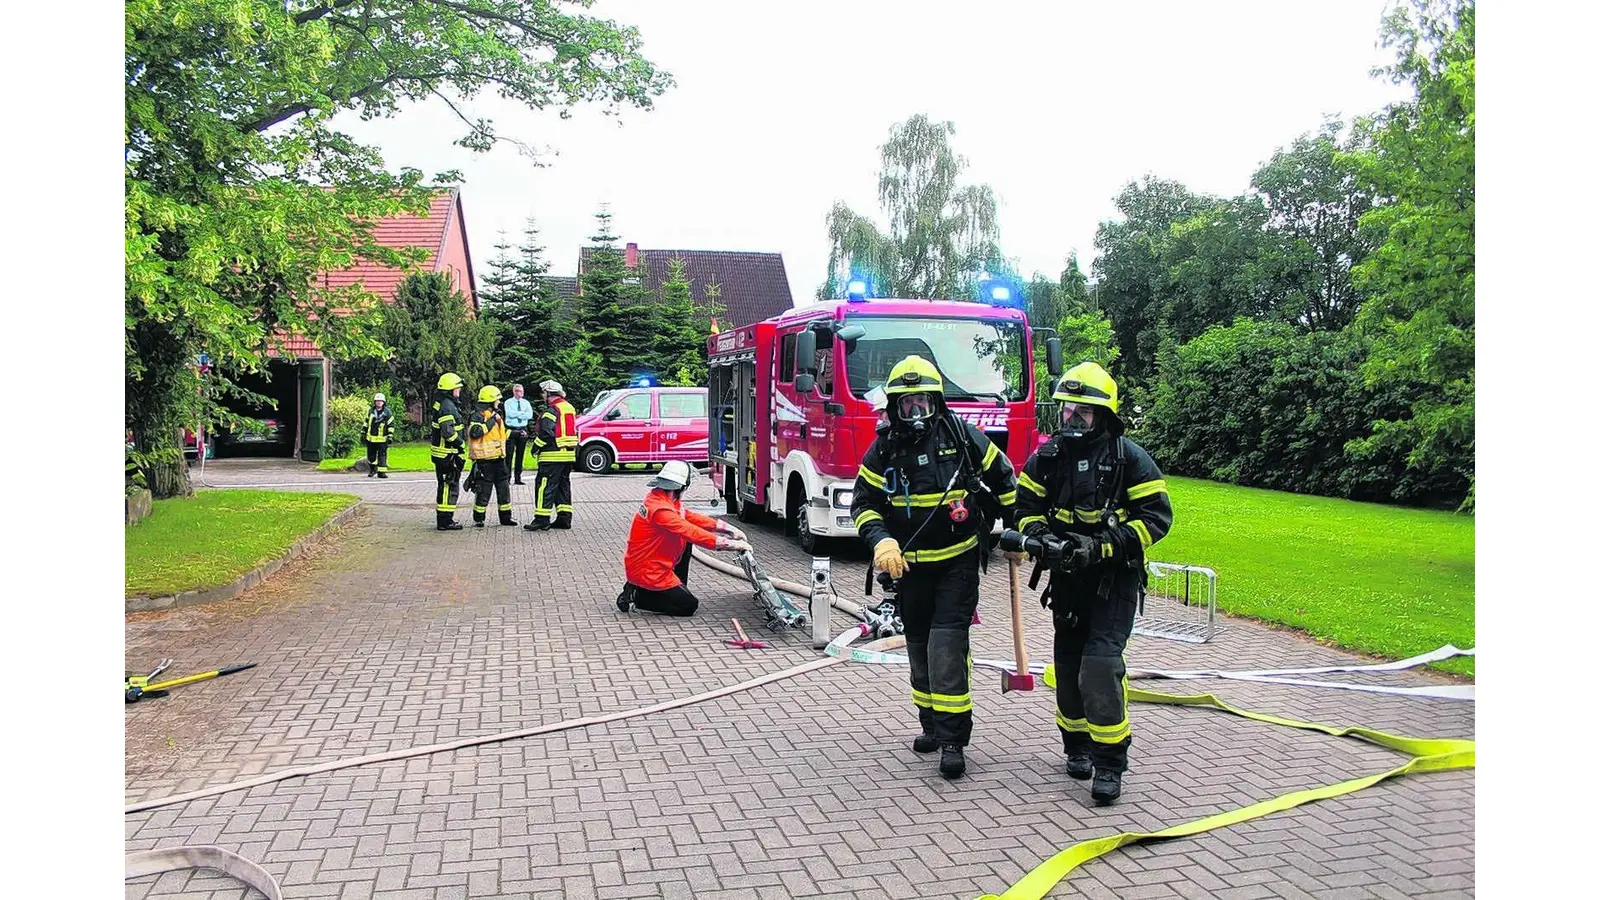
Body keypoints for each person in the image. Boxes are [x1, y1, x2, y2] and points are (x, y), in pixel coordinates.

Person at [849, 355, 1018, 780]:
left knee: (946, 649)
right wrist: (881, 540)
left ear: (938, 401)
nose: (916, 412)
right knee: (919, 650)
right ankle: (930, 723)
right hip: (909, 571)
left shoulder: (962, 436)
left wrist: (1017, 534)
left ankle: (953, 741)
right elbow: (863, 504)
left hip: (957, 564)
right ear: (894, 407)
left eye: (923, 401)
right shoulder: (884, 447)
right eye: (907, 404)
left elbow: (1005, 478)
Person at [1014, 362, 1173, 806]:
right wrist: (1042, 540)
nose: (1073, 418)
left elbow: (1156, 520)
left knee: (1100, 665)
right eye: (1068, 409)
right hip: (1066, 581)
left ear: (1104, 414)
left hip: (1113, 580)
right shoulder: (1046, 458)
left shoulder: (1129, 459)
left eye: (1084, 411)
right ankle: (1077, 746)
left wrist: (1102, 547)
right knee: (1067, 668)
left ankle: (1110, 763)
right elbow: (1024, 511)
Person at [616, 460, 751, 617]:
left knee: (685, 543)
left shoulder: (661, 499)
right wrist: (729, 544)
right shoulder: (660, 510)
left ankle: (660, 589)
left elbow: (688, 517)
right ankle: (639, 596)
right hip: (649, 571)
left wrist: (726, 528)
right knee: (688, 605)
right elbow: (690, 531)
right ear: (680, 486)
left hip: (651, 565)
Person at [525, 379, 579, 531]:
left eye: (543, 393)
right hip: (568, 455)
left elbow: (546, 434)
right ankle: (564, 518)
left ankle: (541, 519)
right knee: (563, 487)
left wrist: (535, 447)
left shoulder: (551, 411)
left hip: (551, 456)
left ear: (548, 393)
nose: (543, 396)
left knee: (544, 486)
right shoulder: (569, 408)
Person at [466, 385, 518, 528]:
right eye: (496, 400)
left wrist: (515, 434)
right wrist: (491, 420)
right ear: (490, 401)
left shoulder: (496, 415)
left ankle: (506, 518)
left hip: (499, 459)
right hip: (484, 461)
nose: (498, 402)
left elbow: (499, 435)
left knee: (504, 489)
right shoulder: (477, 415)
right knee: (484, 491)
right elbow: (475, 432)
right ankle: (479, 518)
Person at [430, 372, 468, 531]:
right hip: (447, 454)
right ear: (450, 390)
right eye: (457, 389)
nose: (458, 392)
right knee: (448, 486)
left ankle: (445, 519)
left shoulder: (443, 403)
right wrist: (460, 444)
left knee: (447, 485)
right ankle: (445, 521)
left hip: (443, 453)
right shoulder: (447, 406)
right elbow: (448, 432)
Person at [504, 383, 534, 485]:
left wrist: (518, 415)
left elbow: (529, 415)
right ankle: (507, 478)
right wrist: (522, 414)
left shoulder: (526, 403)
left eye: (522, 391)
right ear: (515, 392)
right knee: (509, 454)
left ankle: (518, 478)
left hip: (522, 429)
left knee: (520, 454)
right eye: (519, 391)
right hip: (511, 429)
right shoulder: (508, 402)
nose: (521, 393)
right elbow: (509, 414)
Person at [364, 393, 394, 479]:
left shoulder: (387, 412)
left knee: (382, 456)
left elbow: (391, 425)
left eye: (380, 401)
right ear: (375, 402)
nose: (379, 402)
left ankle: (382, 473)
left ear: (384, 402)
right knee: (371, 457)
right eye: (377, 401)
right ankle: (373, 470)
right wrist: (363, 433)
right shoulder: (370, 411)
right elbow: (366, 422)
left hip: (383, 439)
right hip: (371, 439)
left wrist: (390, 436)